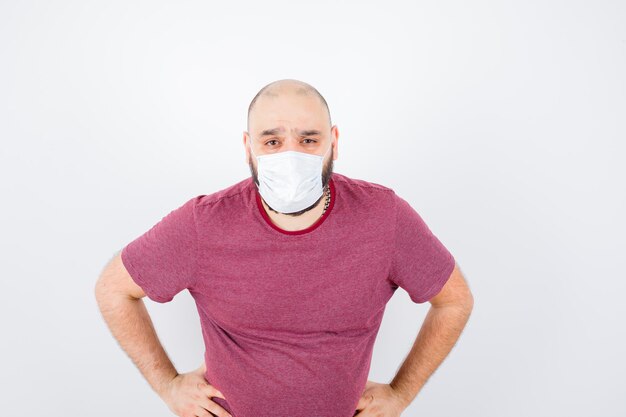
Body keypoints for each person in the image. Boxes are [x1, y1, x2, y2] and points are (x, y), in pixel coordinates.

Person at [95, 79, 474, 417]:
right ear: (248, 147)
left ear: (334, 142)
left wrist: (400, 394)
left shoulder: (384, 217)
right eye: (272, 141)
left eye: (309, 140)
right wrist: (167, 385)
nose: (290, 157)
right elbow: (115, 290)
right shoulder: (204, 223)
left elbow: (454, 300)